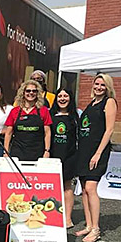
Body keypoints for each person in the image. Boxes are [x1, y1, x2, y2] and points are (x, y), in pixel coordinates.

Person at [75, 74, 117, 242]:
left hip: (97, 152)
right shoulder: (92, 103)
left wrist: (98, 153)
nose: (99, 87)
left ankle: (96, 229)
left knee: (91, 188)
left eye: (103, 85)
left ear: (108, 87)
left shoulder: (109, 102)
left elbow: (109, 130)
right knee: (84, 189)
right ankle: (89, 225)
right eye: (97, 84)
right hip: (84, 151)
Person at [49, 88, 78, 229]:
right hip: (53, 156)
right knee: (52, 187)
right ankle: (52, 215)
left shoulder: (75, 116)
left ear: (70, 98)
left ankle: (67, 218)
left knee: (67, 187)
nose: (62, 98)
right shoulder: (50, 114)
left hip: (69, 156)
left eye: (65, 96)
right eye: (59, 96)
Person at [3, 80, 52, 161]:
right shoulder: (15, 111)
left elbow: (47, 133)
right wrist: (6, 151)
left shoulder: (44, 111)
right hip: (17, 152)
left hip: (37, 153)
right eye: (28, 91)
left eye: (34, 91)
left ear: (37, 93)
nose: (31, 93)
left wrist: (47, 151)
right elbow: (8, 133)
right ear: (23, 92)